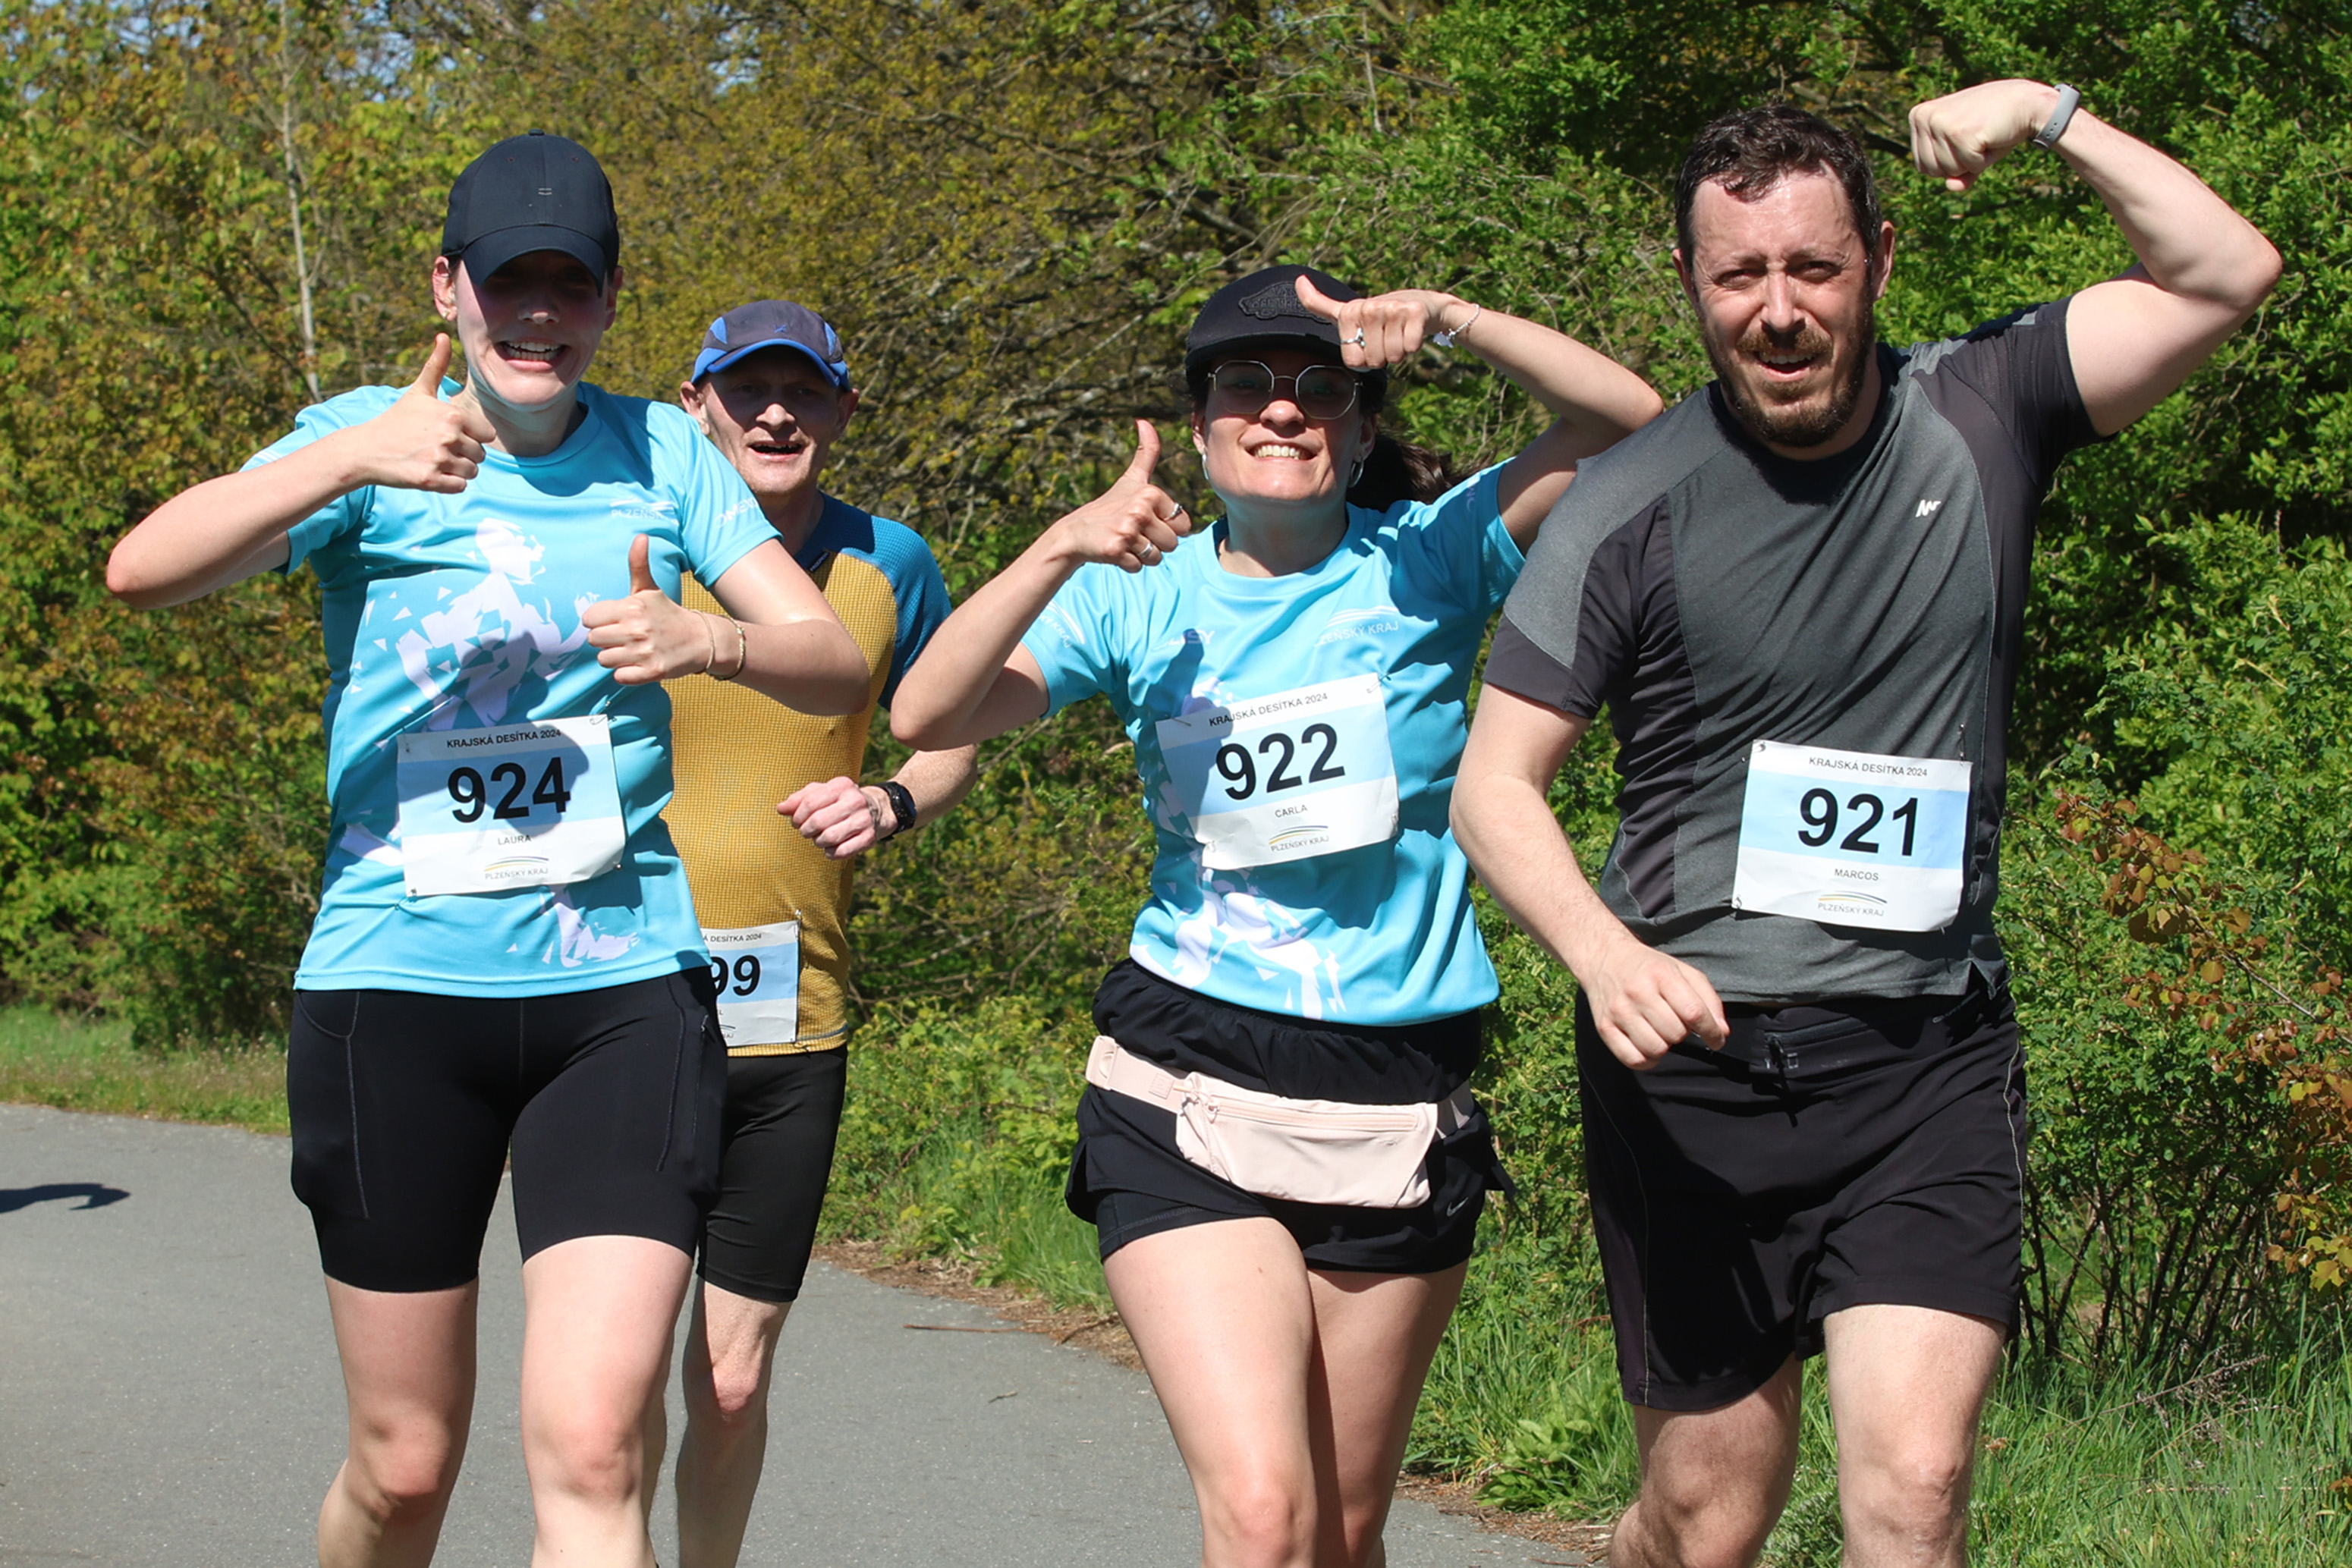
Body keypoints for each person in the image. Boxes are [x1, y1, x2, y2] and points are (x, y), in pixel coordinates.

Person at [1450, 87, 2280, 1568]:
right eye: (1737, 276)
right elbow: (1491, 785)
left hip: (1923, 1053)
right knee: (1708, 1516)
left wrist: (2048, 115)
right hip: (1693, 1067)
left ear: (1879, 262)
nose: (1776, 311)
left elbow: (2226, 272)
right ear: (1692, 285)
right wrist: (1601, 953)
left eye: (1812, 268)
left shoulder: (1985, 407)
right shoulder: (1627, 504)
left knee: (1911, 1488)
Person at [104, 133, 868, 1568]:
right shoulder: (366, 439)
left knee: (595, 1448)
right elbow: (141, 572)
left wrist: (708, 640)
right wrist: (352, 459)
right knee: (405, 1470)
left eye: (569, 286)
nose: (538, 315)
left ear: (609, 300)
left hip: (620, 991)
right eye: (509, 282)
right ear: (447, 287)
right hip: (395, 989)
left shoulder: (662, 453)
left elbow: (831, 661)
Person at [891, 263, 1662, 1568]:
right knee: (1262, 1519)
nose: (1285, 409)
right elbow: (927, 711)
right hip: (1187, 1078)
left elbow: (1629, 420)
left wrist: (1453, 319)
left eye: (1321, 388)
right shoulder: (1134, 593)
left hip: (1393, 1089)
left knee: (1343, 1534)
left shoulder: (1433, 554)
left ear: (1360, 430)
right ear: (1200, 428)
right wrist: (1061, 544)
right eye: (1247, 386)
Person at [650, 299, 977, 1567]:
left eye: (802, 391)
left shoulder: (891, 561)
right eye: (746, 390)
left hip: (790, 1021)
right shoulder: (633, 544)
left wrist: (893, 799)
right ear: (698, 406)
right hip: (619, 1009)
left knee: (731, 1384)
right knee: (614, 1376)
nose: (775, 414)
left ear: (842, 409)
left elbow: (949, 734)